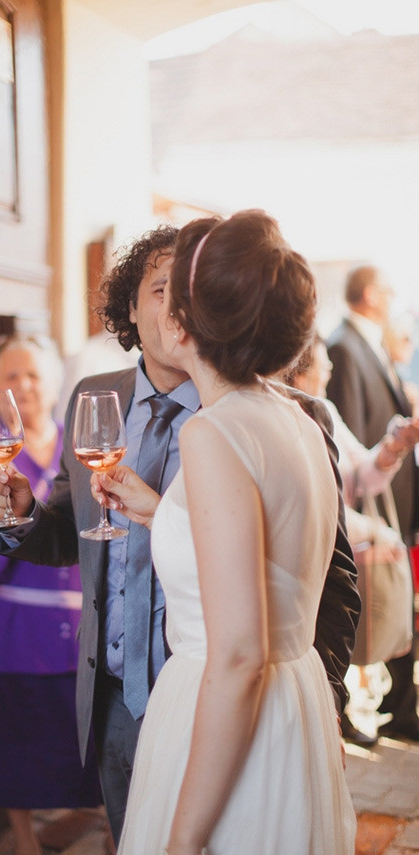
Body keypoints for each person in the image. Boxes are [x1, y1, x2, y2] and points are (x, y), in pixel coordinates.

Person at [0, 225, 360, 846]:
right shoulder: (94, 398)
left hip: (228, 696)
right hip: (117, 702)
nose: (171, 306)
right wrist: (20, 517)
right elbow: (78, 530)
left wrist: (321, 703)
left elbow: (331, 576)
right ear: (133, 306)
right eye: (160, 288)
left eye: (184, 290)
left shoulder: (266, 419)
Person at [91, 210, 356, 854]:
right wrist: (163, 513)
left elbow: (237, 656)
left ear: (184, 320)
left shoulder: (211, 433)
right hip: (291, 703)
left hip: (230, 712)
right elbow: (273, 557)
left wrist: (183, 838)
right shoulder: (287, 419)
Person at [0, 335, 101, 855]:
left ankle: (92, 825)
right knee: (10, 743)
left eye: (33, 375)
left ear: (55, 384)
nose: (24, 386)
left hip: (77, 632)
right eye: (11, 377)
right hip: (8, 633)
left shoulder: (81, 442)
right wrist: (11, 536)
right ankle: (23, 839)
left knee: (82, 743)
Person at [284, 335, 419, 745]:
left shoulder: (325, 411)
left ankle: (334, 717)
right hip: (308, 550)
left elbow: (362, 474)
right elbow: (320, 504)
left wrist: (392, 448)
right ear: (299, 373)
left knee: (334, 638)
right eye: (321, 368)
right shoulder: (290, 418)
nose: (328, 374)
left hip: (337, 548)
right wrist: (376, 530)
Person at [327, 266, 419, 741]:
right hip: (359, 510)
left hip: (382, 491)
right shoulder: (342, 346)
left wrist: (395, 446)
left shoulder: (373, 342)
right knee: (349, 615)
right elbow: (345, 443)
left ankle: (399, 705)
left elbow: (364, 450)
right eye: (385, 288)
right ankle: (343, 712)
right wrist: (367, 521)